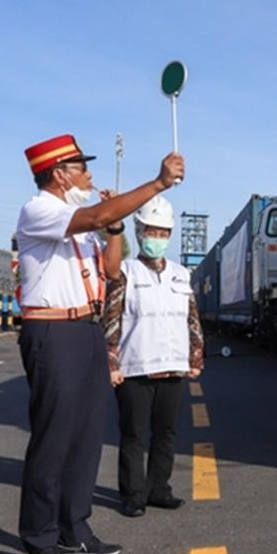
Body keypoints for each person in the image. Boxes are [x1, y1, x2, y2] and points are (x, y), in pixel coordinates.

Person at [15, 135, 183, 554]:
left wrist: (113, 230)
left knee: (86, 437)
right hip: (52, 328)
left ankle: (75, 530)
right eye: (81, 167)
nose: (90, 176)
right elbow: (97, 213)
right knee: (53, 438)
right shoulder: (41, 210)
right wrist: (157, 184)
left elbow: (111, 270)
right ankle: (39, 543)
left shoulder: (82, 223)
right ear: (59, 173)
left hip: (86, 328)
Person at [102, 195, 204, 518]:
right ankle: (133, 494)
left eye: (162, 233)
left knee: (167, 432)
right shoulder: (126, 273)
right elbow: (111, 319)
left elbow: (192, 318)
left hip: (173, 366)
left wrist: (197, 355)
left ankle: (159, 488)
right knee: (133, 434)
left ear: (169, 235)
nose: (156, 238)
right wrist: (111, 361)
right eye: (151, 231)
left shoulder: (180, 274)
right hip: (135, 368)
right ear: (139, 231)